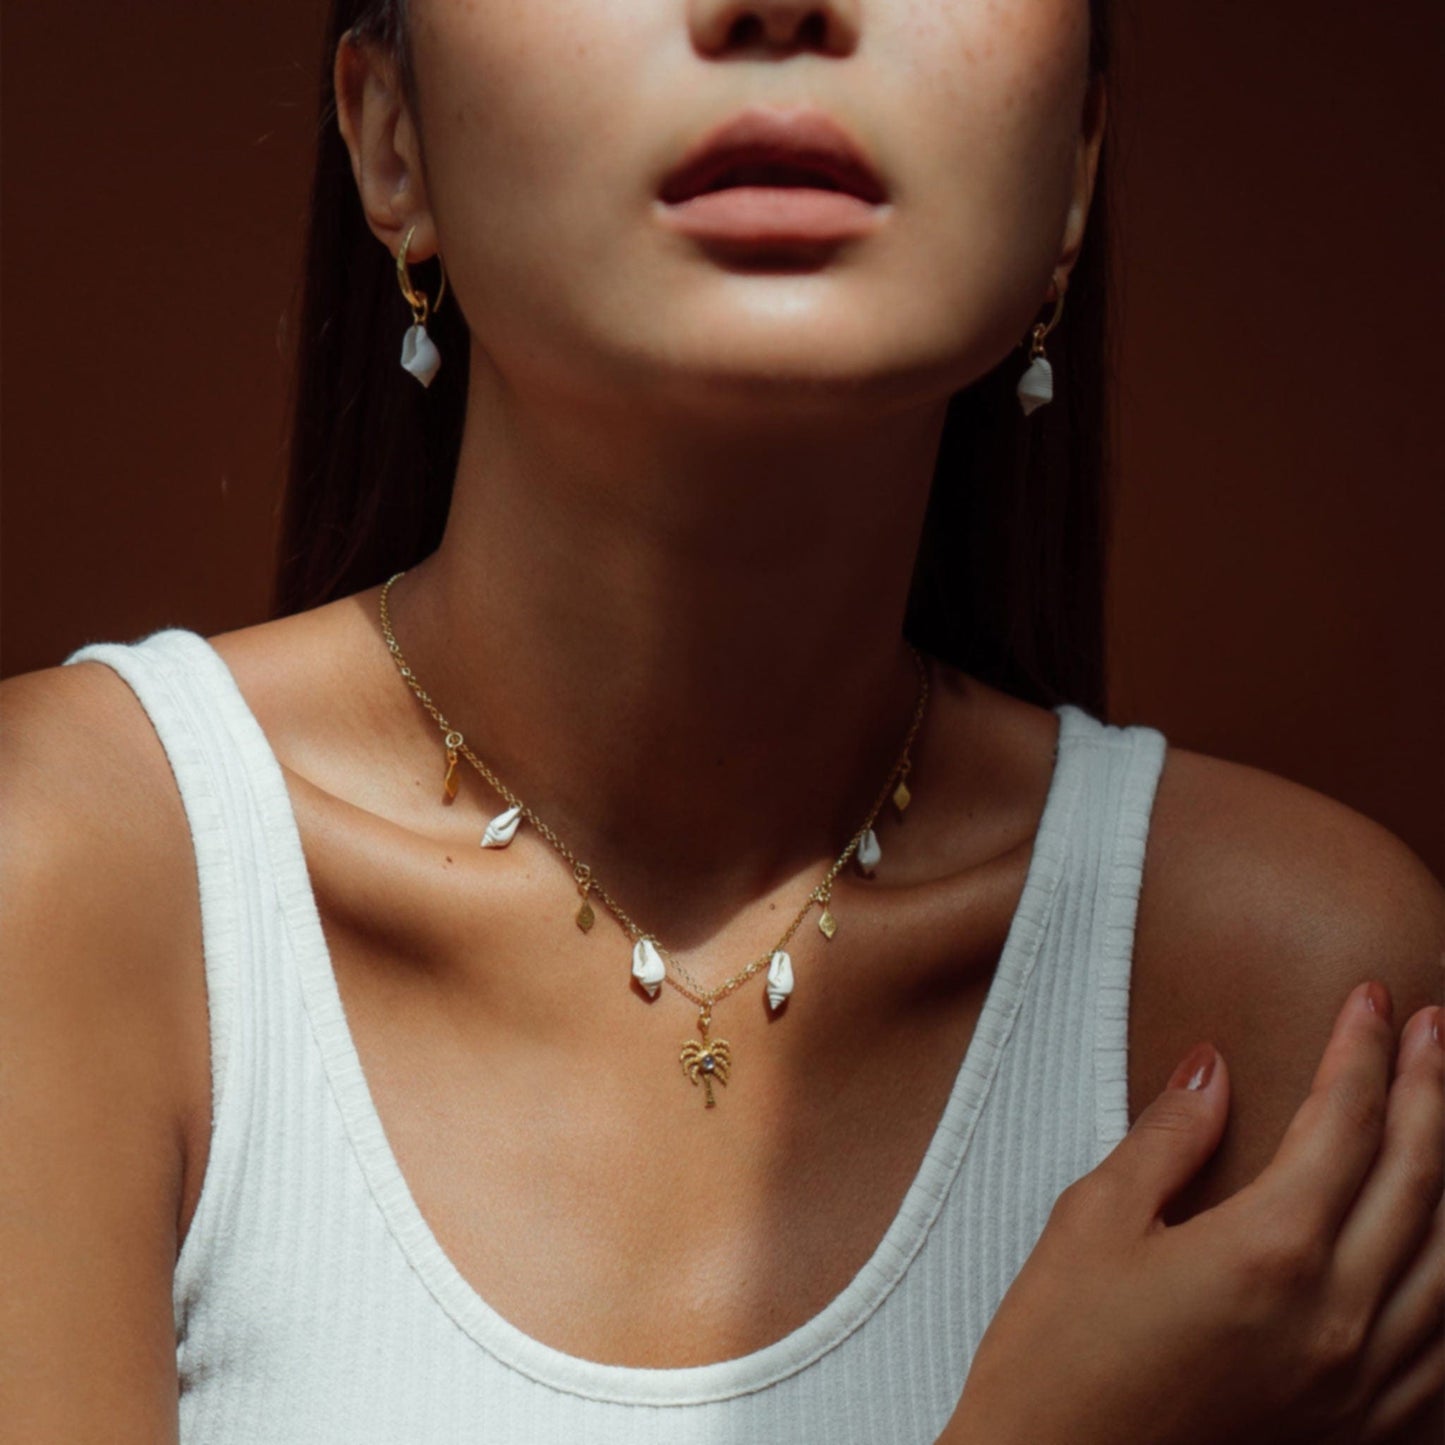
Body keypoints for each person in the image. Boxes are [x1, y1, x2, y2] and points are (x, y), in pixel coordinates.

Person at [1, 1, 1440, 1440]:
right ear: (392, 141)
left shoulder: (1284, 995)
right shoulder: (70, 885)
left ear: (1071, 167)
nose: (776, 3)